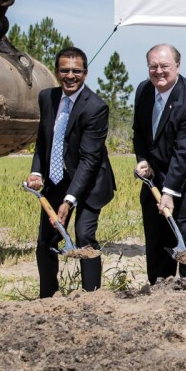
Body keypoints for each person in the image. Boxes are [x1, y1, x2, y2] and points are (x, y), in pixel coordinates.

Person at [27, 46, 116, 298]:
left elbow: (89, 159)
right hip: (57, 179)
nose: (70, 76)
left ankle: (92, 297)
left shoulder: (96, 107)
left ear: (85, 74)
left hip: (89, 182)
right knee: (46, 238)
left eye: (76, 71)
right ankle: (47, 298)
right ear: (57, 72)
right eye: (64, 70)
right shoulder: (47, 98)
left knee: (84, 234)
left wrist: (69, 199)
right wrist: (36, 173)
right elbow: (44, 141)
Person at [132, 43, 186, 282]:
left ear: (178, 66)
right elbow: (139, 132)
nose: (159, 71)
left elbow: (185, 153)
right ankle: (160, 295)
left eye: (165, 66)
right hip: (156, 179)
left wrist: (169, 192)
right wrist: (142, 160)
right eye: (153, 66)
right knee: (158, 241)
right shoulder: (143, 91)